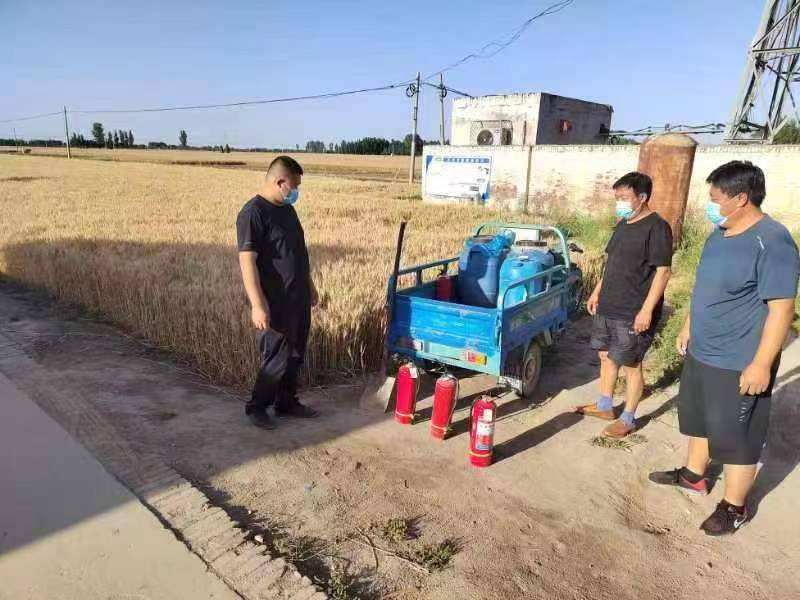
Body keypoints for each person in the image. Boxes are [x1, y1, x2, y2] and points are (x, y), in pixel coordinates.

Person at [649, 161, 799, 536]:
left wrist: (761, 364)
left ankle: (734, 507)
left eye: (716, 199)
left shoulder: (773, 242)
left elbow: (782, 309)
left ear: (741, 198)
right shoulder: (720, 234)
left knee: (737, 437)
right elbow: (704, 285)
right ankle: (694, 475)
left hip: (739, 359)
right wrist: (688, 325)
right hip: (703, 351)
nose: (710, 205)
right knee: (698, 420)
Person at [576, 172, 673, 437]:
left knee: (631, 364)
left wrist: (646, 310)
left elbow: (663, 272)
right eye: (617, 197)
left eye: (624, 197)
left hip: (633, 311)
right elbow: (612, 263)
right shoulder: (623, 224)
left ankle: (628, 418)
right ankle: (605, 405)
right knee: (606, 355)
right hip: (608, 305)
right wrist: (597, 292)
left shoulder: (657, 228)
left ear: (642, 197)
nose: (619, 202)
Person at [236, 155, 320, 430]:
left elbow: (297, 253)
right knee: (276, 357)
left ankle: (286, 402)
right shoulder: (253, 213)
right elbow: (247, 262)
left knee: (296, 353)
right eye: (294, 186)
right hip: (275, 300)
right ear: (280, 181)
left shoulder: (287, 210)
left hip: (298, 296)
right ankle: (257, 407)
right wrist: (257, 304)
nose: (296, 192)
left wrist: (309, 285)